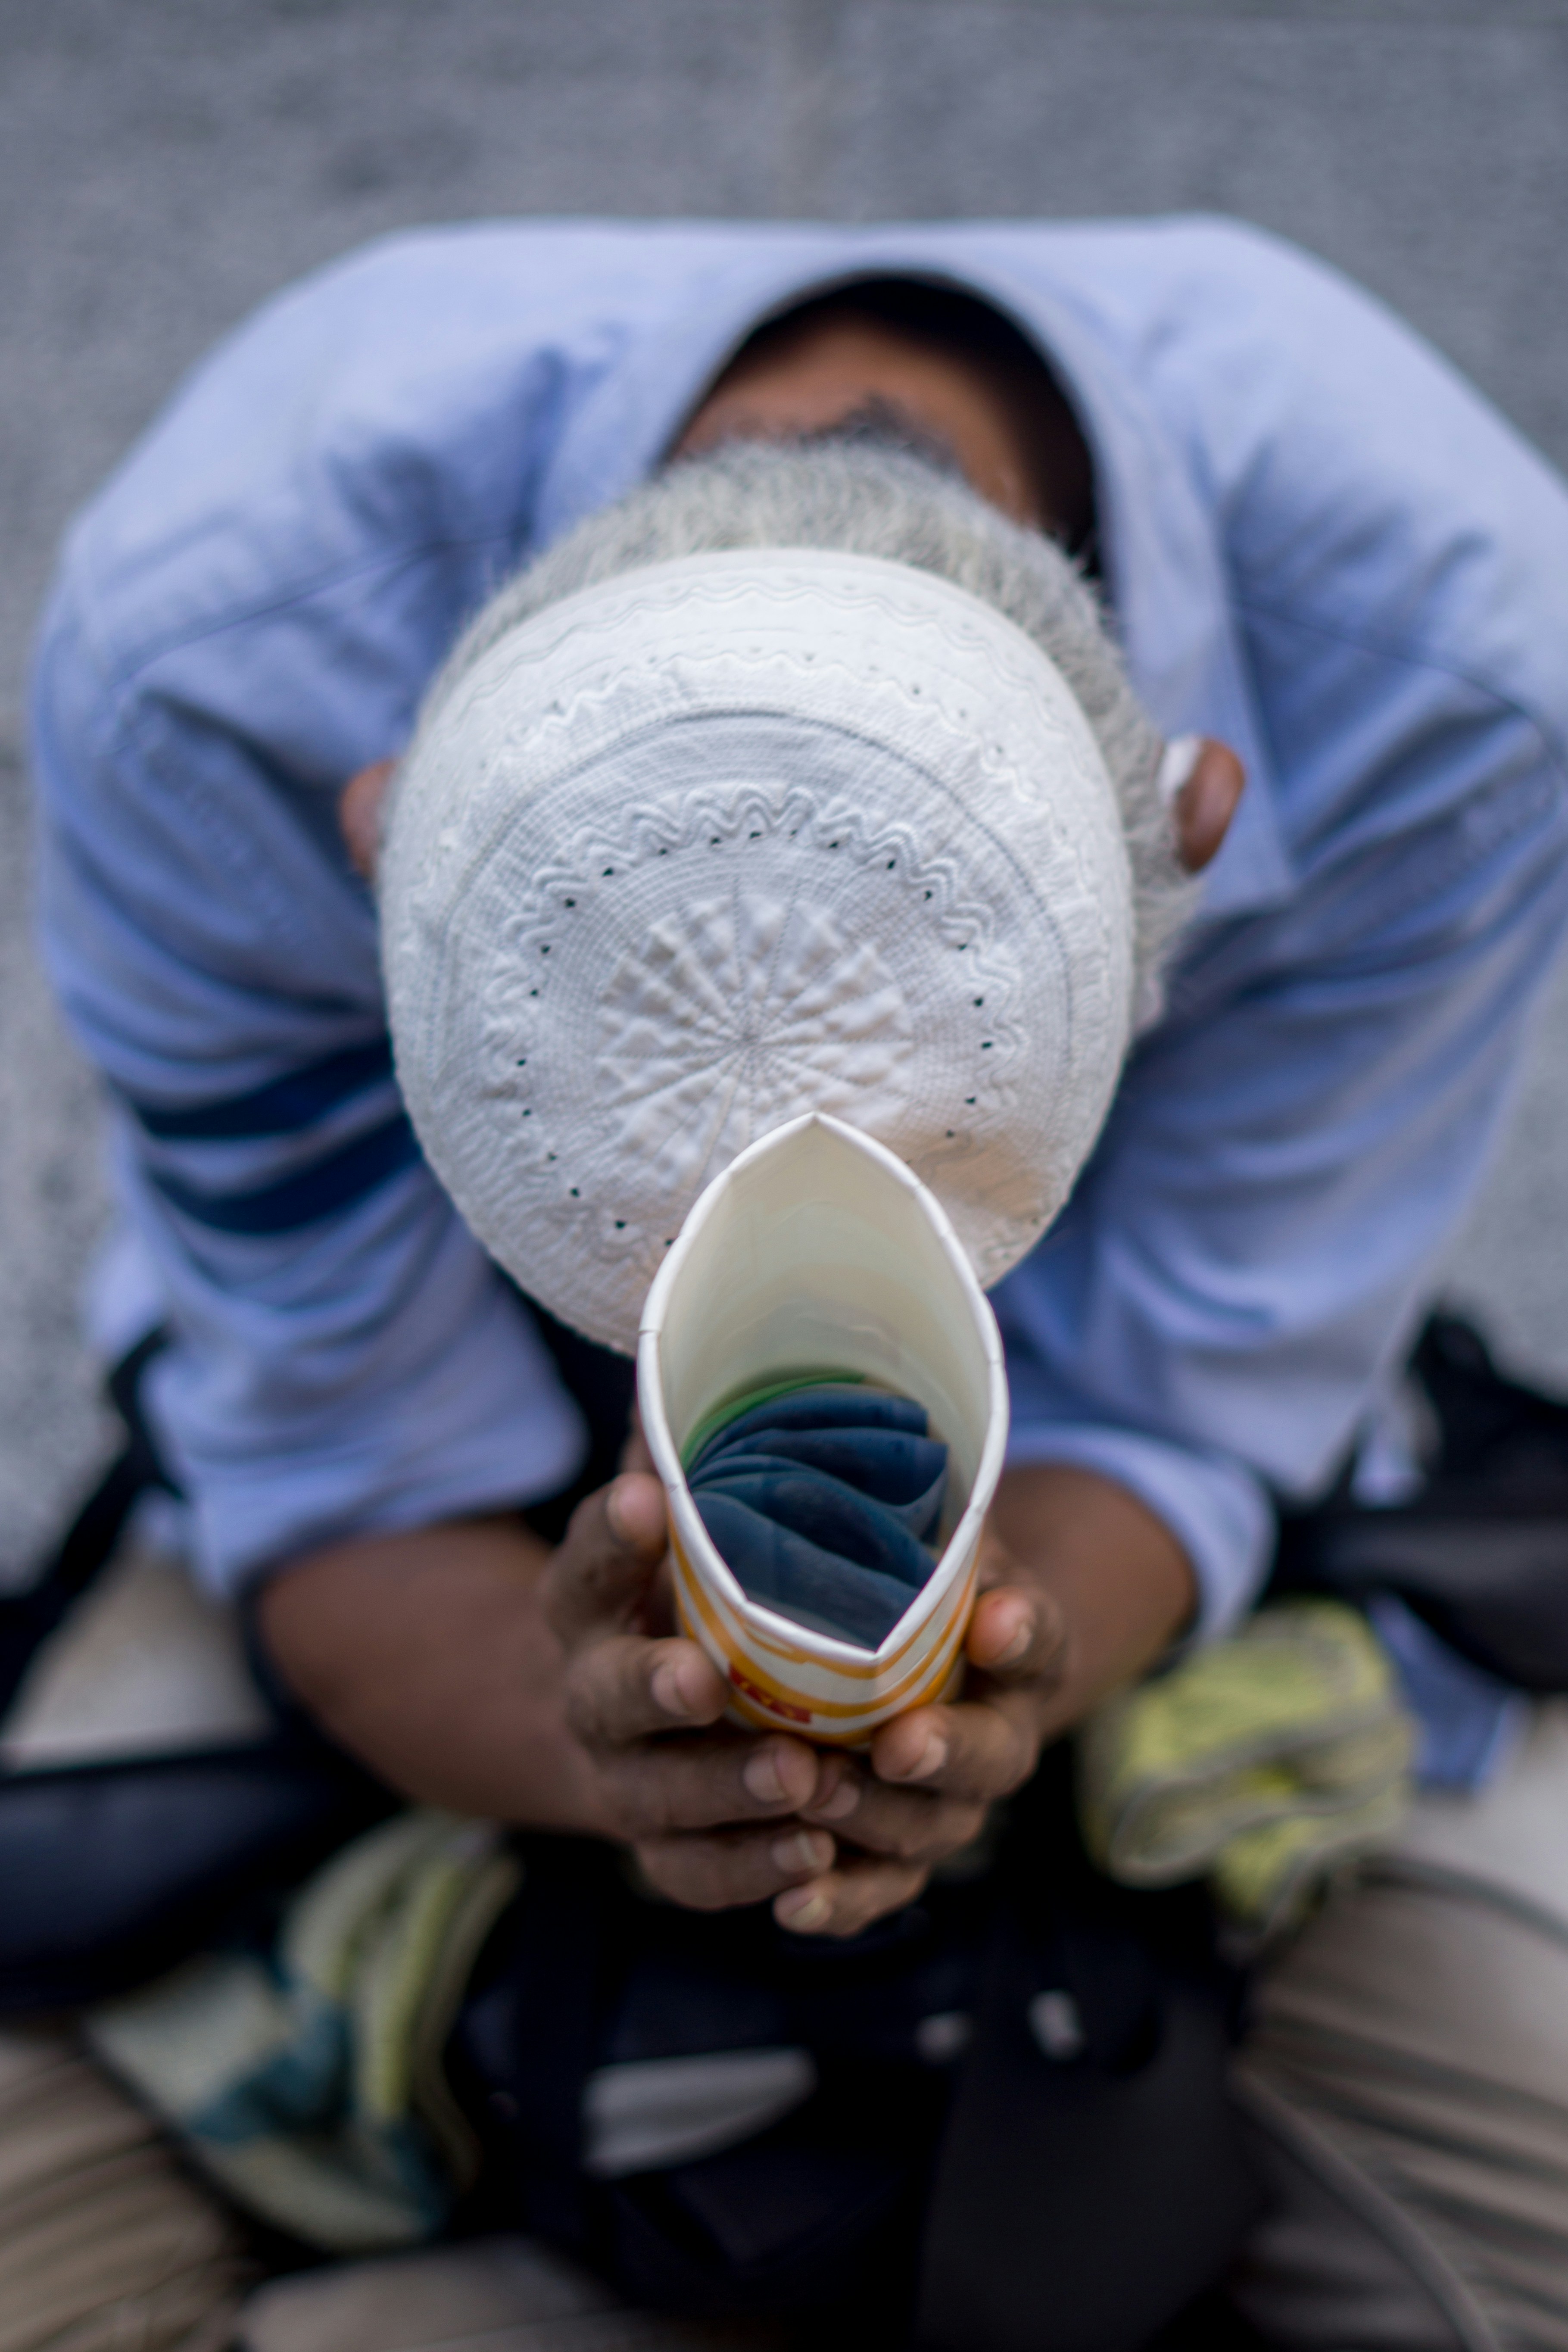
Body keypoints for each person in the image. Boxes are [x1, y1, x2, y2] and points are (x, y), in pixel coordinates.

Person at [16, 218, 1568, 2350]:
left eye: (954, 1166)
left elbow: (1193, 1406)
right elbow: (336, 1463)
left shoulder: (1448, 660)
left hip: (1082, 1497)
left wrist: (1007, 1669)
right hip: (423, 1486)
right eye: (600, 1189)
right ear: (381, 825)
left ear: (1197, 823)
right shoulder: (214, 658)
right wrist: (604, 1748)